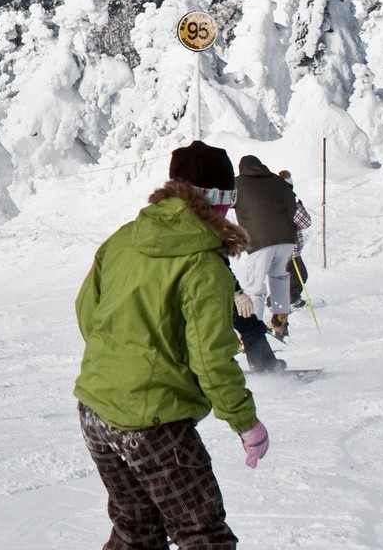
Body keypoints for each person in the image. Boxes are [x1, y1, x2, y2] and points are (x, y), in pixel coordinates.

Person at [75, 140, 268, 550]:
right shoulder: (203, 264)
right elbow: (210, 358)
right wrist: (244, 422)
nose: (230, 211)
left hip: (95, 410)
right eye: (228, 200)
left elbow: (87, 313)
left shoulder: (124, 238)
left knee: (136, 530)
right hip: (152, 424)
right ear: (219, 201)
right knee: (203, 536)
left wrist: (123, 361)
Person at [233, 155, 298, 339]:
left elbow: (225, 204)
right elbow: (292, 206)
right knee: (279, 277)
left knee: (255, 288)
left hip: (259, 242)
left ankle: (253, 335)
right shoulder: (278, 181)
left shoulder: (237, 183)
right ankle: (280, 320)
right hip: (286, 240)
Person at [279, 170, 311, 309]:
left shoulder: (271, 200)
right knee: (296, 277)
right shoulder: (290, 202)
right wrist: (299, 205)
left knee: (297, 276)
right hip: (289, 248)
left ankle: (289, 299)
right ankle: (286, 300)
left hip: (282, 247)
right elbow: (305, 222)